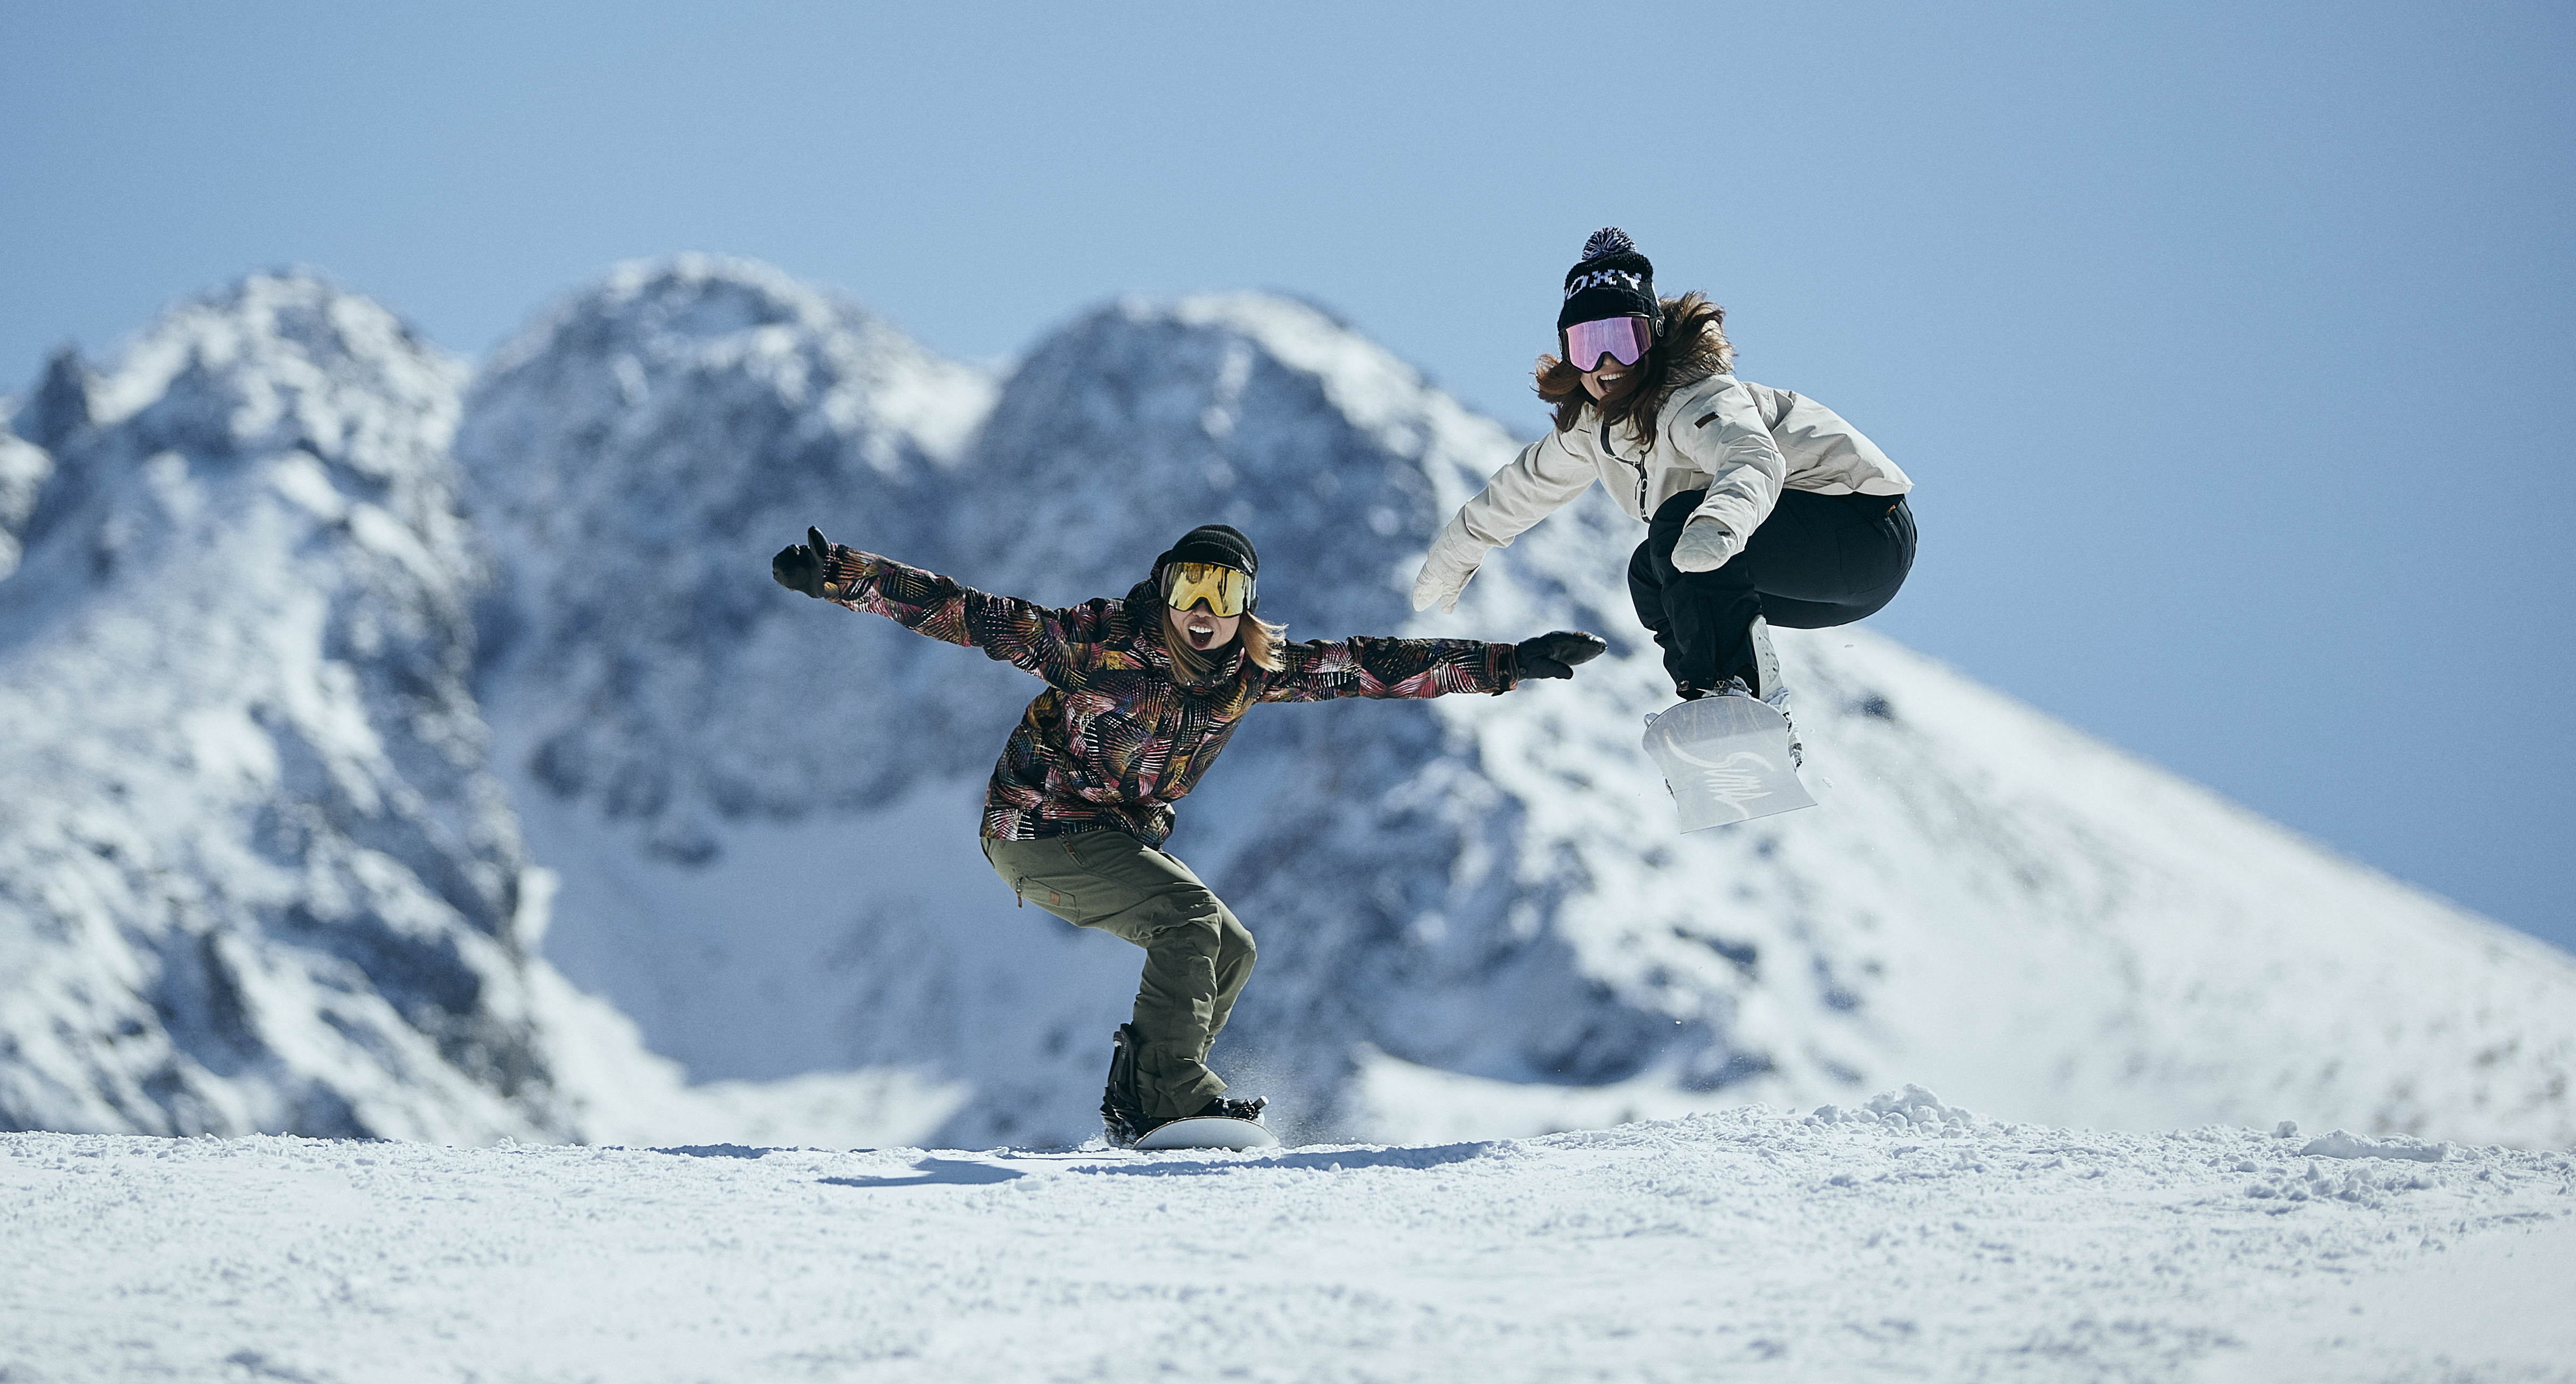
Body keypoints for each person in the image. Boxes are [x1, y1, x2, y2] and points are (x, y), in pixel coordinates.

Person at [770, 520, 1602, 1143]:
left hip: (1111, 840)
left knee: (1231, 945)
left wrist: (1508, 663)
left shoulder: (1250, 673)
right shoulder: (1096, 646)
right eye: (1190, 589)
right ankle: (1170, 1094)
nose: (1204, 611)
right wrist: (842, 574)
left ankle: (1140, 1096)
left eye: (1226, 594)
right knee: (1189, 921)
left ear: (1247, 608)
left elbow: (1372, 664)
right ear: (1163, 590)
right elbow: (972, 614)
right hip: (1036, 826)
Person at [1412, 228, 1915, 701]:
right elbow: (1524, 488)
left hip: (1864, 528)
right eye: (1589, 344)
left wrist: (1719, 521)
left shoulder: (1694, 396)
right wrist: (1460, 547)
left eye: (1623, 340)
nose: (1606, 361)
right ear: (1570, 354)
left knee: (1675, 530)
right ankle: (1715, 713)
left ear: (1650, 340)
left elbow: (1752, 457)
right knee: (1649, 573)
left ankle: (1732, 695)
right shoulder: (1590, 427)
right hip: (1820, 584)